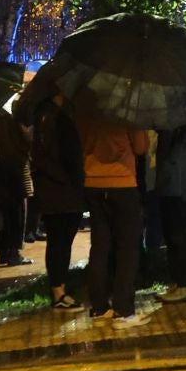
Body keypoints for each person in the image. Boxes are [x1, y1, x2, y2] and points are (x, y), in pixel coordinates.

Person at [79, 110, 150, 325]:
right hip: (122, 183)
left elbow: (81, 143)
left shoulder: (85, 111)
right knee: (127, 248)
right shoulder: (128, 110)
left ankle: (99, 307)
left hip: (93, 182)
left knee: (100, 246)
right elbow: (140, 148)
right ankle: (123, 309)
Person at [30, 94, 86, 312]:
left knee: (57, 241)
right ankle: (59, 293)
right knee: (61, 242)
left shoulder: (42, 116)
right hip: (63, 190)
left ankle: (58, 289)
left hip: (52, 188)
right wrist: (75, 182)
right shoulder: (59, 119)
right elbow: (70, 157)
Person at [152, 122, 186, 303]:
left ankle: (185, 283)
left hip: (176, 181)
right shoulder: (181, 116)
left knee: (178, 231)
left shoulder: (180, 119)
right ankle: (179, 281)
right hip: (174, 180)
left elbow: (169, 149)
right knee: (174, 231)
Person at [0, 106, 33, 268]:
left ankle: (4, 251)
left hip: (1, 172)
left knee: (8, 215)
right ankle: (14, 253)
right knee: (18, 215)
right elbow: (27, 143)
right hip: (17, 172)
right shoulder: (14, 122)